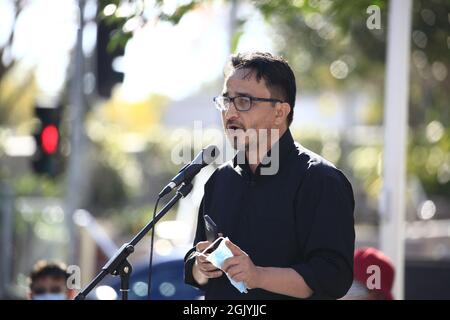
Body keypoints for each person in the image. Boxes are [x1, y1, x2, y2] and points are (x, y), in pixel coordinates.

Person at [184, 52, 355, 299]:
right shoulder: (219, 180)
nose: (230, 112)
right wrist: (201, 267)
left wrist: (258, 276)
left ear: (279, 112)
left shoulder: (321, 180)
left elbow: (333, 276)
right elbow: (195, 262)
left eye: (243, 101)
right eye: (226, 100)